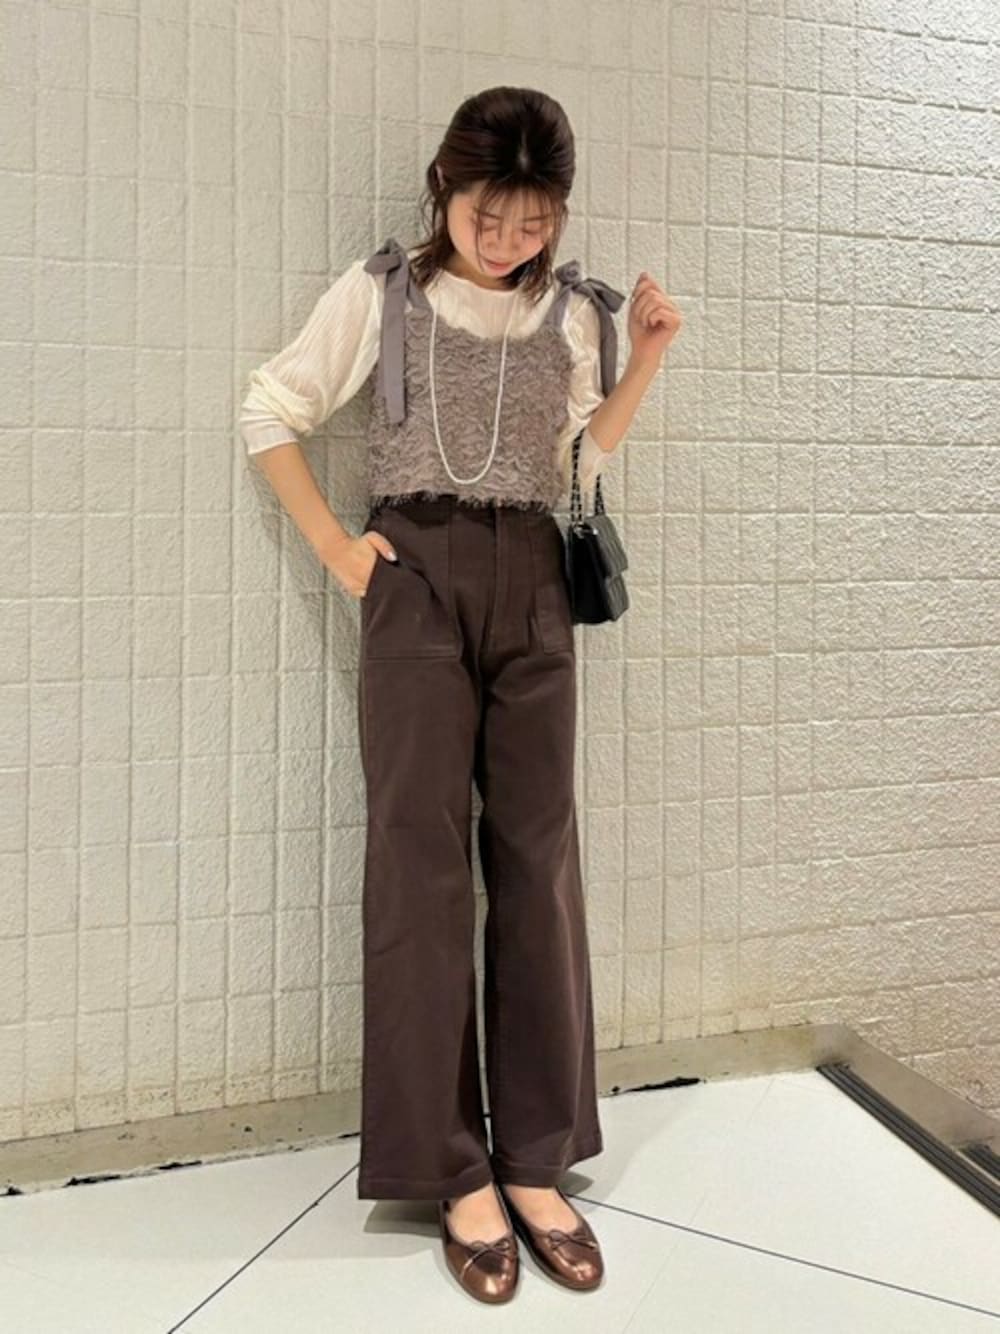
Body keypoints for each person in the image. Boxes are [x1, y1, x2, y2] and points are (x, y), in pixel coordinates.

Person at [239, 84, 681, 1303]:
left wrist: (644, 360)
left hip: (533, 576)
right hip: (417, 578)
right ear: (447, 188)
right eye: (489, 214)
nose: (507, 240)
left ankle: (534, 1156)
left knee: (537, 857)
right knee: (419, 861)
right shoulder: (382, 293)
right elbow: (269, 408)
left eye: (533, 219)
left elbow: (576, 458)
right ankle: (451, 1167)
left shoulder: (573, 312)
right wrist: (342, 553)